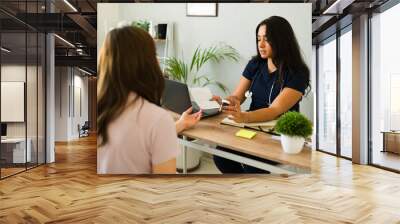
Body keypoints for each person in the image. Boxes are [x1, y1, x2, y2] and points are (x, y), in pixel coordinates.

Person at [97, 26, 202, 174]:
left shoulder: (99, 110)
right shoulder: (156, 119)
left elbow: (135, 141)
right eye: (154, 55)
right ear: (147, 63)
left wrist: (180, 124)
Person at [212, 16, 310, 173]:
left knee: (253, 165)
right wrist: (226, 102)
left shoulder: (297, 73)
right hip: (252, 126)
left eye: (267, 39)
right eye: (258, 39)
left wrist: (244, 116)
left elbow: (274, 110)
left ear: (281, 41)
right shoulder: (255, 64)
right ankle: (245, 191)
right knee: (221, 156)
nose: (261, 45)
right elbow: (238, 96)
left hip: (279, 133)